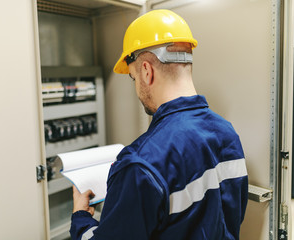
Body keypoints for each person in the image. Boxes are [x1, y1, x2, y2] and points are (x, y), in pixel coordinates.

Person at [70, 9, 248, 240]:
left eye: (133, 78)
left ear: (146, 71)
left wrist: (80, 218)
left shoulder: (141, 164)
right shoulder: (227, 133)